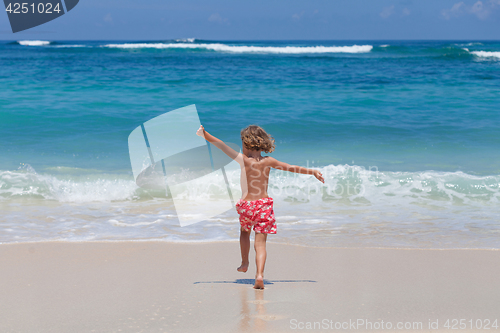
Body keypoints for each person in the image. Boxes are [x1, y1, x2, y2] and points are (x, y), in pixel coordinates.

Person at [197, 124, 324, 289]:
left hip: (247, 206)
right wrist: (312, 172)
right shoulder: (268, 161)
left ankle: (244, 263)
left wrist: (205, 134)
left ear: (246, 143)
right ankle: (259, 276)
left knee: (244, 232)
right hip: (263, 206)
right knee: (261, 243)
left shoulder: (243, 160)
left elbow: (221, 145)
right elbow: (290, 168)